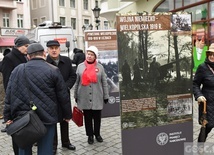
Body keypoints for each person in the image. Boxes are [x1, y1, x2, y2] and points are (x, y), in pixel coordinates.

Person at [3, 43, 72, 155]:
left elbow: (9, 95)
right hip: (47, 117)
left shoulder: (17, 70)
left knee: (24, 149)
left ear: (28, 56)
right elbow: (63, 95)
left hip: (22, 118)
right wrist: (67, 114)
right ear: (44, 54)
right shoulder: (53, 70)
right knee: (45, 149)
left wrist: (7, 116)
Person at [74, 45, 109, 144]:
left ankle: (97, 134)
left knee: (97, 117)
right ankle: (90, 135)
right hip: (84, 96)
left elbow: (104, 82)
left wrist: (106, 96)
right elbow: (77, 82)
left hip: (97, 96)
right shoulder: (80, 67)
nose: (89, 56)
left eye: (91, 55)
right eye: (88, 54)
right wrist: (76, 95)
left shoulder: (100, 67)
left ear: (95, 56)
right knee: (87, 118)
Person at [46, 40, 76, 153]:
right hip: (51, 97)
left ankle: (66, 142)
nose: (54, 50)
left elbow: (73, 76)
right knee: (53, 121)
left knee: (65, 119)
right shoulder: (45, 62)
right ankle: (53, 145)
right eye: (51, 48)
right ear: (47, 50)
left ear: (59, 49)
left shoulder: (66, 60)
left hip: (64, 95)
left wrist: (66, 87)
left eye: (56, 48)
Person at [1, 35, 30, 155]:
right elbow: (8, 81)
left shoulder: (24, 57)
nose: (27, 48)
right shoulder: (9, 58)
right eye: (26, 46)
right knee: (16, 128)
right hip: (15, 99)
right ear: (18, 46)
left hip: (25, 97)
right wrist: (11, 99)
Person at [193, 43, 214, 142]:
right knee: (206, 129)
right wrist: (199, 95)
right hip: (207, 104)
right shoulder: (202, 67)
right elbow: (195, 84)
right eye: (210, 54)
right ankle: (200, 149)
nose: (212, 56)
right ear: (207, 54)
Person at [0, 48, 11, 120]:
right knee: (3, 99)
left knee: (2, 99)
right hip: (4, 83)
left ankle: (2, 113)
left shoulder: (3, 62)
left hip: (3, 82)